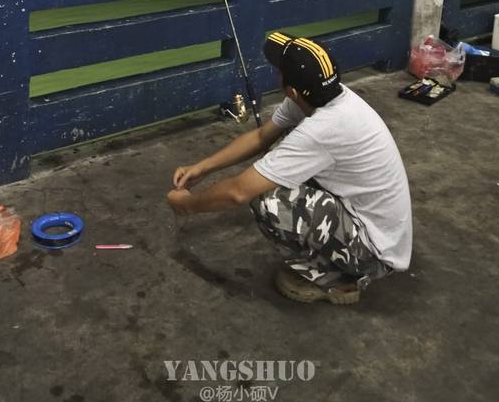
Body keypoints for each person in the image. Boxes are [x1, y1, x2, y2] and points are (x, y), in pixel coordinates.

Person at [167, 31, 412, 305]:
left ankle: (338, 279)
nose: (277, 73)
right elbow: (261, 137)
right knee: (278, 159)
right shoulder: (324, 95)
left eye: (279, 71)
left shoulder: (323, 128)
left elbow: (238, 192)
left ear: (291, 90)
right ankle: (336, 261)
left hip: (374, 252)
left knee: (269, 202)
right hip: (368, 219)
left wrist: (187, 205)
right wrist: (201, 168)